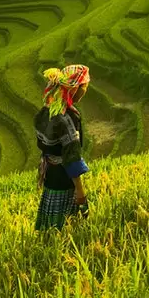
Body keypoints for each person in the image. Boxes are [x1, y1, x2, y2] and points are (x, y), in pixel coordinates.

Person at [35, 64, 92, 230]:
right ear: (75, 90)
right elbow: (71, 158)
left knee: (50, 224)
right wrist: (80, 192)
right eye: (85, 87)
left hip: (50, 173)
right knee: (66, 226)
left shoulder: (47, 110)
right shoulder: (68, 117)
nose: (85, 91)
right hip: (64, 177)